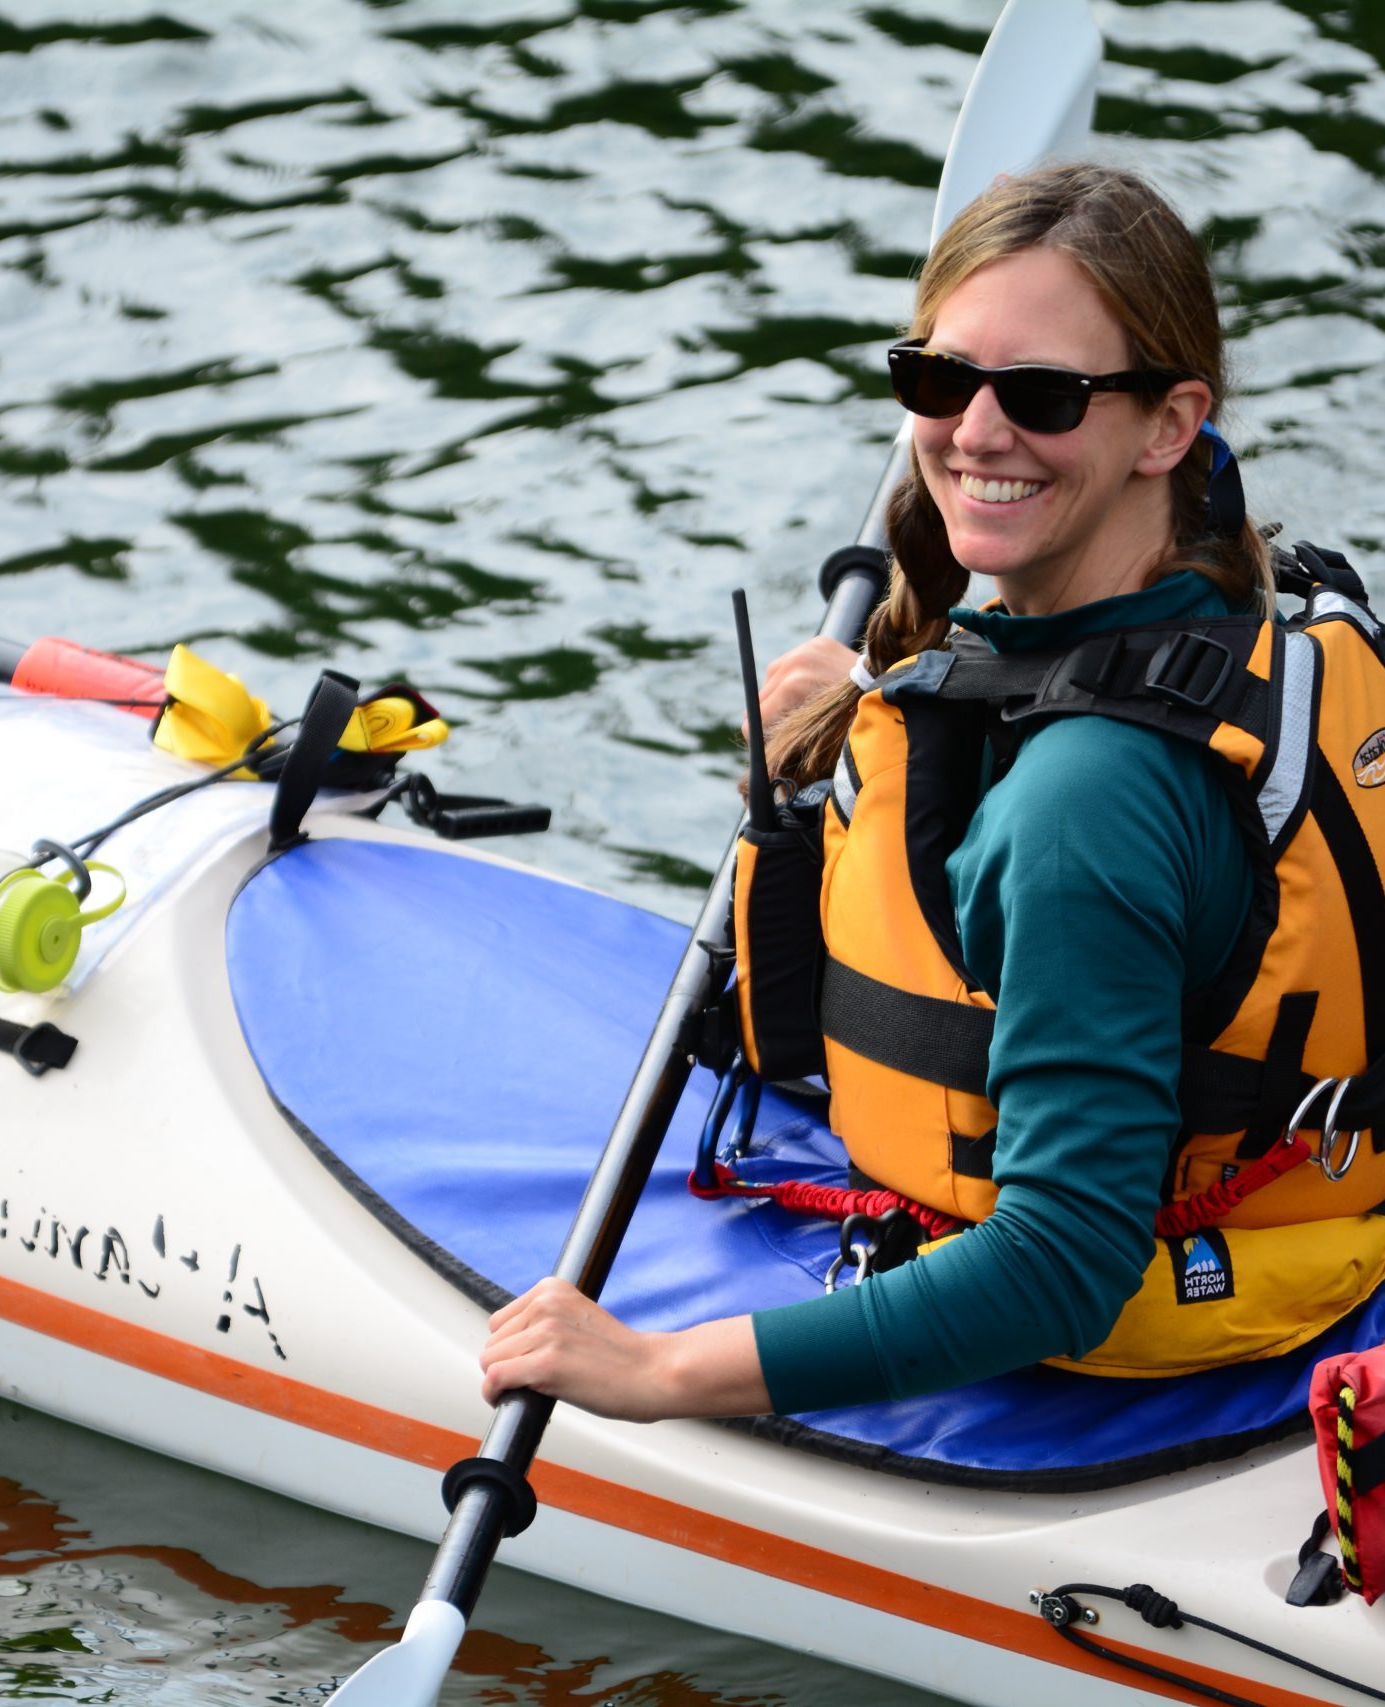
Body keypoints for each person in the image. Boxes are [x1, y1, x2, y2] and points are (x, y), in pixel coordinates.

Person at [477, 161, 1309, 1423]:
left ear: (1169, 425)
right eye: (938, 378)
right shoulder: (1230, 608)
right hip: (1286, 1215)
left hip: (1106, 1342)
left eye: (1039, 394)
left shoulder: (1089, 808)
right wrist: (874, 695)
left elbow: (1064, 1266)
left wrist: (659, 1372)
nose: (975, 433)